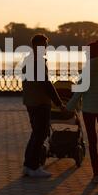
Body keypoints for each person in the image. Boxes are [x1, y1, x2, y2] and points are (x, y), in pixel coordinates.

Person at [67, 39, 98, 184]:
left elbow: (78, 93)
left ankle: (95, 175)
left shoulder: (86, 71)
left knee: (92, 140)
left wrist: (68, 108)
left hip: (88, 109)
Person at [22, 34, 65, 178]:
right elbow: (46, 84)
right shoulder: (37, 62)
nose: (46, 48)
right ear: (37, 46)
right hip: (40, 102)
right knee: (41, 134)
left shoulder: (28, 60)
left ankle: (28, 166)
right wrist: (59, 102)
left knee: (36, 133)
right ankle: (34, 167)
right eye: (44, 45)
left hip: (31, 101)